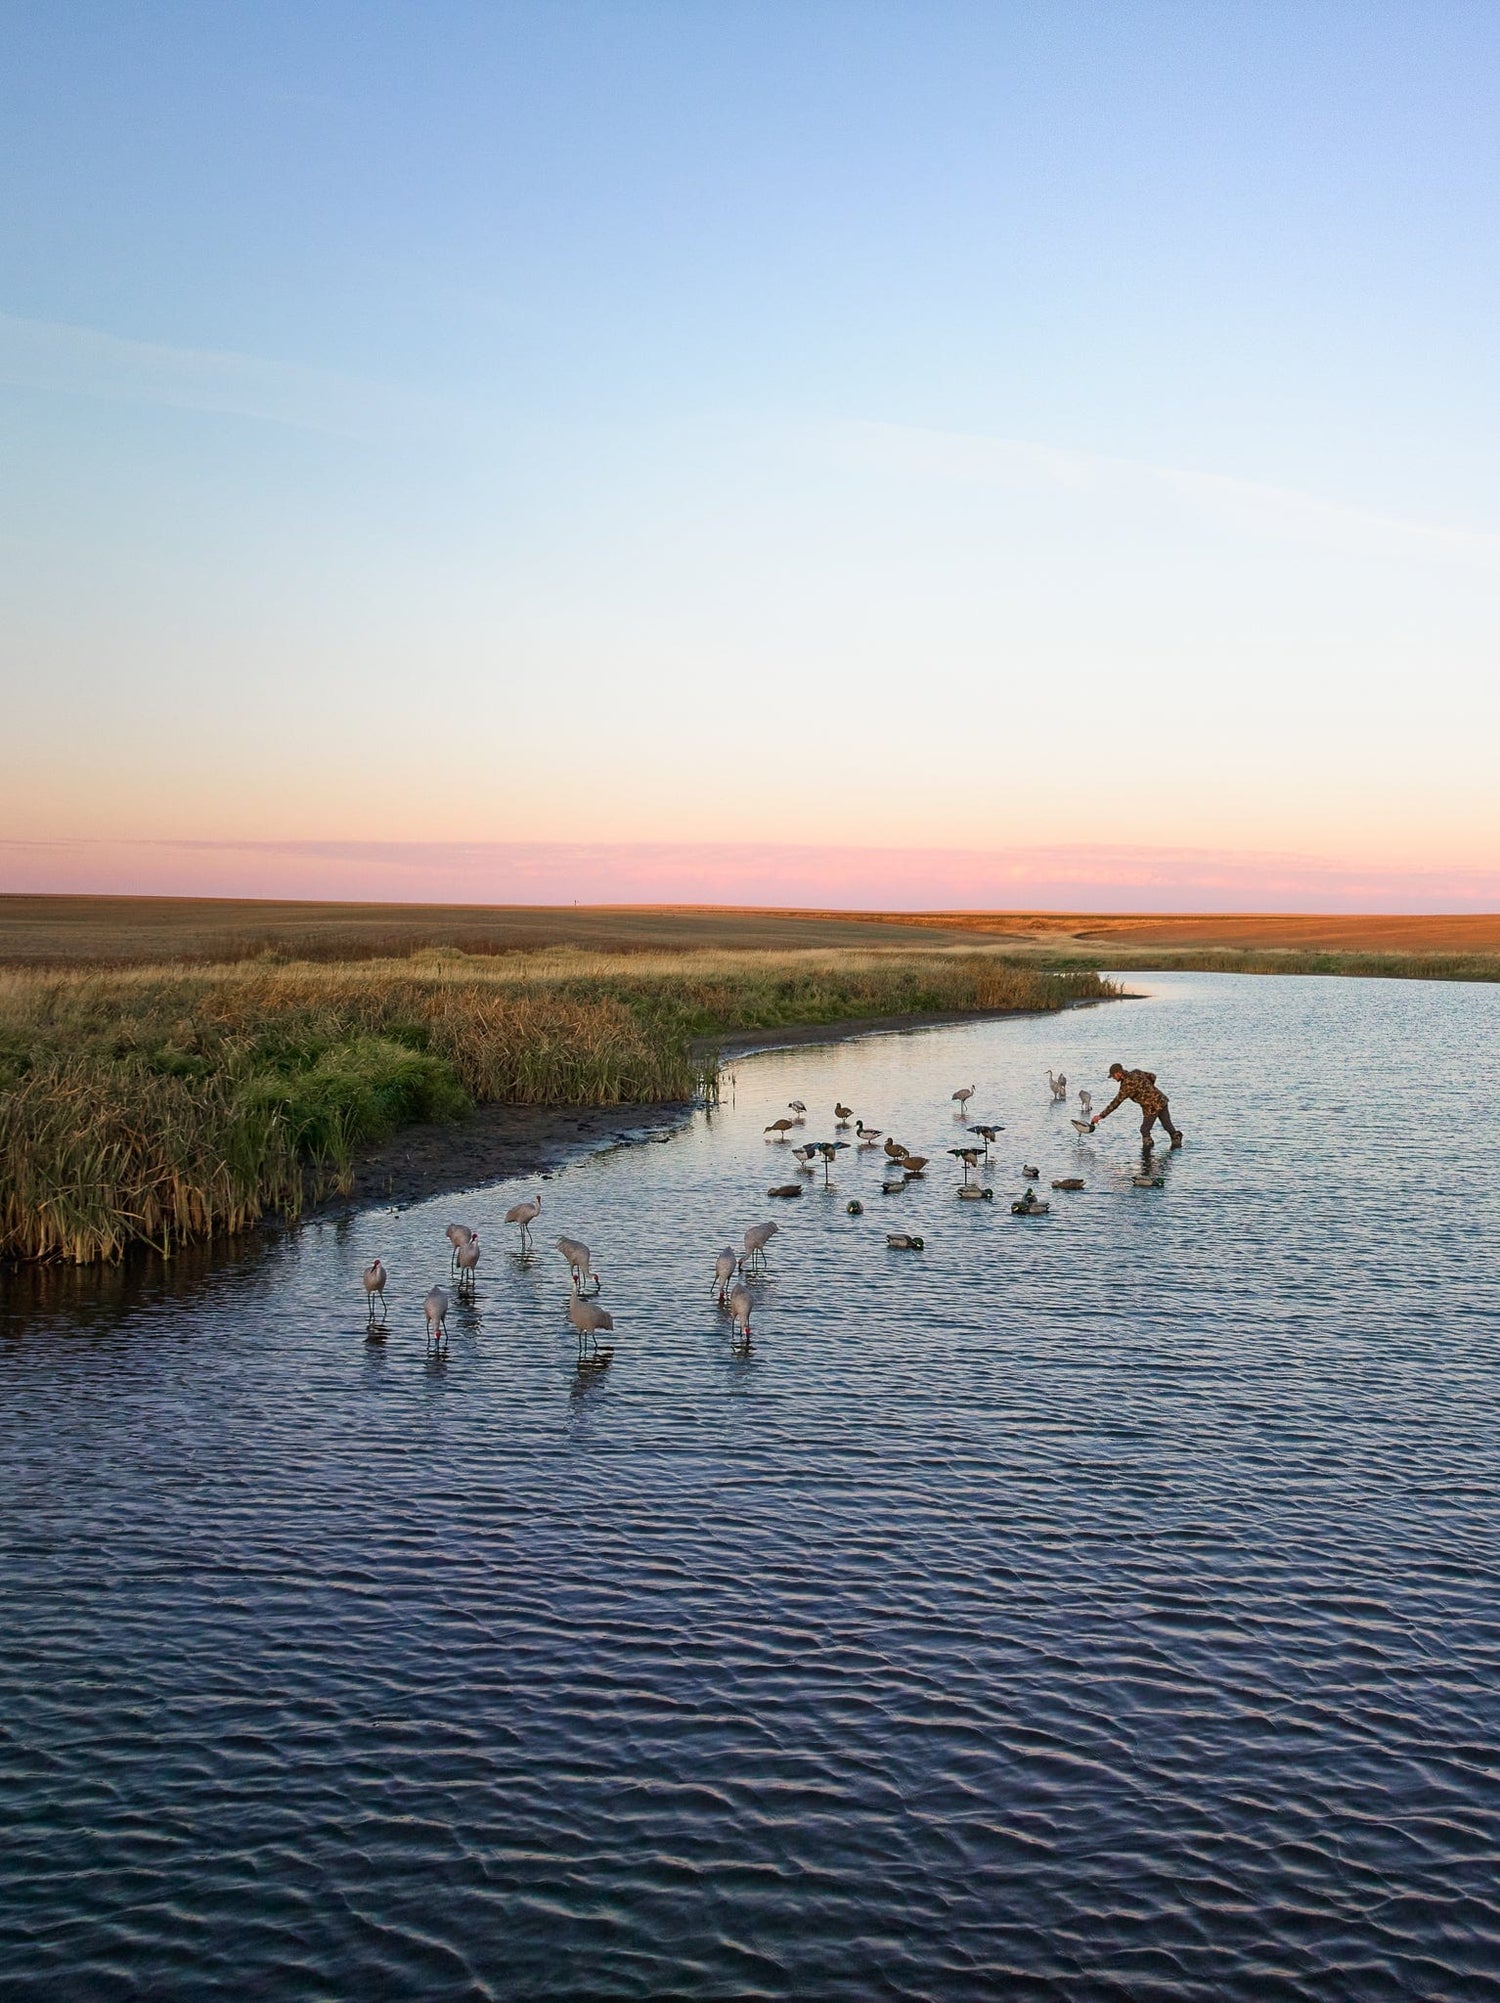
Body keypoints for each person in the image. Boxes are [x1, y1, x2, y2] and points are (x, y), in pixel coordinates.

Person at [1090, 1063, 1183, 1148]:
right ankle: (1176, 1140)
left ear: (1118, 1073)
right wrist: (1149, 1089)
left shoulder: (1126, 1086)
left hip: (1151, 1107)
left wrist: (1101, 1116)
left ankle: (1148, 1154)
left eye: (1113, 1076)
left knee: (1144, 1130)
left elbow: (1115, 1103)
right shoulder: (1136, 1072)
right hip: (1162, 1100)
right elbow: (1153, 1076)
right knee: (1167, 1124)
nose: (1113, 1078)